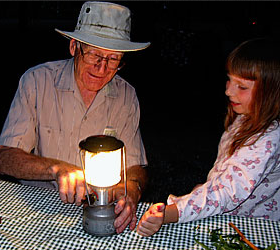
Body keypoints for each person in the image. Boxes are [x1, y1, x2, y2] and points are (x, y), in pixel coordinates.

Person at [0, 1, 150, 234]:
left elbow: (136, 165)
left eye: (113, 59)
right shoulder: (37, 82)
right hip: (37, 207)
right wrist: (55, 169)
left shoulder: (126, 95)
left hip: (101, 211)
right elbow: (5, 157)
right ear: (74, 47)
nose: (101, 69)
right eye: (94, 55)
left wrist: (130, 188)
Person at [137, 38, 280, 237]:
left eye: (242, 87)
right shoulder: (244, 118)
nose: (228, 91)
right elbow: (227, 175)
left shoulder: (269, 138)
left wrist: (169, 213)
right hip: (227, 220)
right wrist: (205, 188)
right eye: (230, 79)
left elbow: (227, 191)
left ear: (271, 92)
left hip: (253, 231)